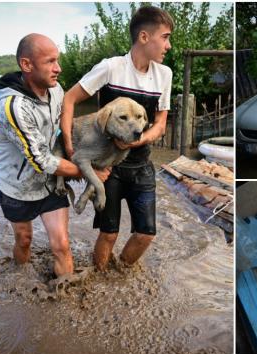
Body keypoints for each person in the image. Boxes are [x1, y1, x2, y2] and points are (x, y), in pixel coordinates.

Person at [61, 6, 173, 271]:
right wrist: (68, 148)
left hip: (142, 166)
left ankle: (120, 275)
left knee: (146, 234)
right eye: (165, 37)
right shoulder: (111, 68)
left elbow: (160, 125)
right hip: (108, 167)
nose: (168, 45)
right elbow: (69, 99)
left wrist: (139, 140)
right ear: (144, 37)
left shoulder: (164, 75)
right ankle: (100, 278)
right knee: (109, 234)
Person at [0, 34, 110, 277]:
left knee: (61, 245)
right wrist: (90, 173)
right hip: (18, 188)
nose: (58, 68)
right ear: (26, 65)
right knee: (24, 240)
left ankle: (64, 302)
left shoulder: (56, 89)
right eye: (50, 62)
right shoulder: (13, 107)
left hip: (50, 185)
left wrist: (95, 150)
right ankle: (20, 280)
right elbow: (41, 161)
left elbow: (68, 125)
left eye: (57, 60)